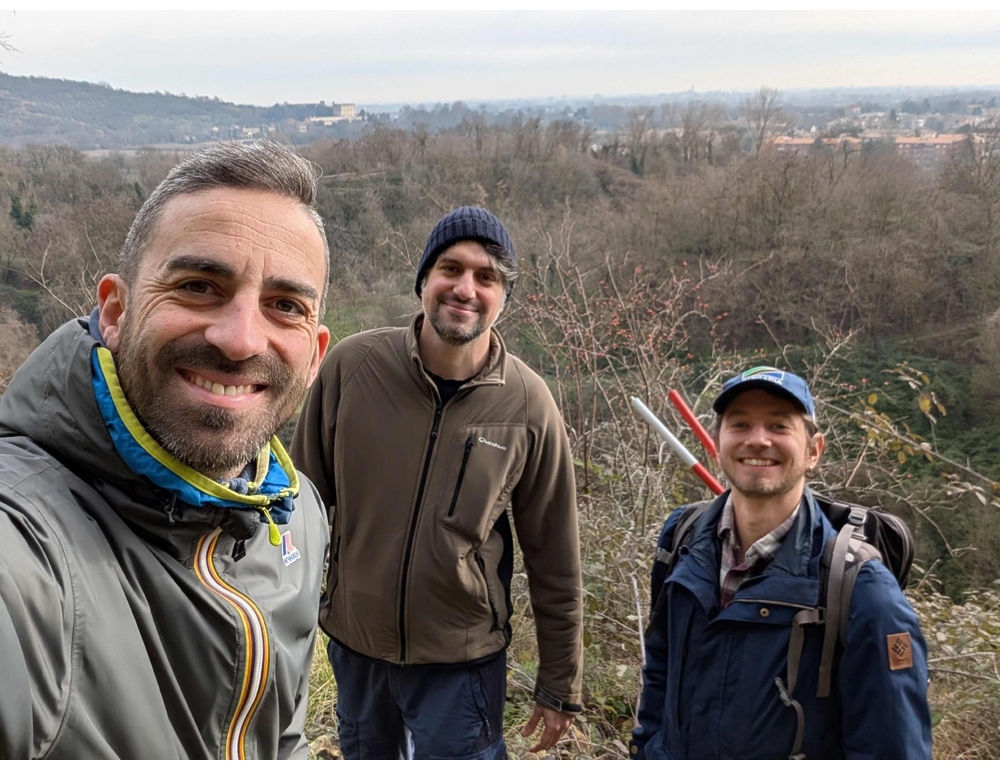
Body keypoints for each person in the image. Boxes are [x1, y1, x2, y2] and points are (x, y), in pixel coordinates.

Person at [0, 141, 332, 759]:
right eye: (199, 286)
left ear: (314, 355)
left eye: (285, 306)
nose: (240, 339)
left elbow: (280, 734)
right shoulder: (26, 544)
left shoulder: (296, 515)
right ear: (115, 311)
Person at [292, 206, 583, 760]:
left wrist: (559, 683)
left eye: (486, 276)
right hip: (357, 647)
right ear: (424, 279)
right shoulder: (352, 369)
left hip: (463, 661)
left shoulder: (527, 404)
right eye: (451, 268)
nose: (466, 288)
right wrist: (282, 633)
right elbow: (296, 513)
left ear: (503, 297)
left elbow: (555, 559)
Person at [631, 366, 933, 759]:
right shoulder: (682, 539)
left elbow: (893, 751)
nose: (757, 440)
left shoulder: (861, 589)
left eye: (778, 426)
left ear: (813, 451)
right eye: (740, 424)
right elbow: (660, 670)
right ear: (717, 443)